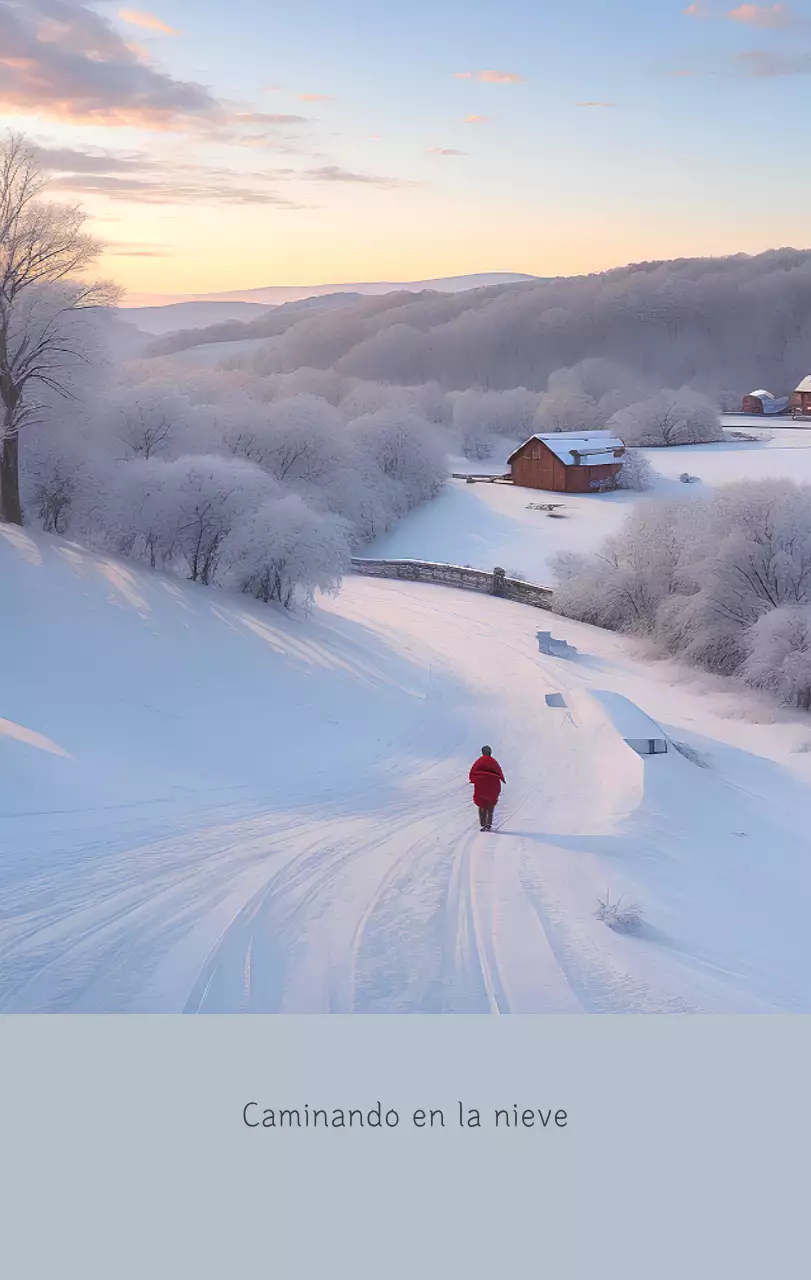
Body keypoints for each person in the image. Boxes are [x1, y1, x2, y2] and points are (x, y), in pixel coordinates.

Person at [469, 746, 506, 831]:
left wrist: (473, 780)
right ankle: (488, 824)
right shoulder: (493, 762)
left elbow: (472, 772)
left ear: (482, 752)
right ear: (490, 752)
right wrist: (502, 779)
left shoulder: (479, 761)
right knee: (490, 805)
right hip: (493, 785)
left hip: (481, 784)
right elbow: (499, 772)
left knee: (481, 802)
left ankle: (482, 822)